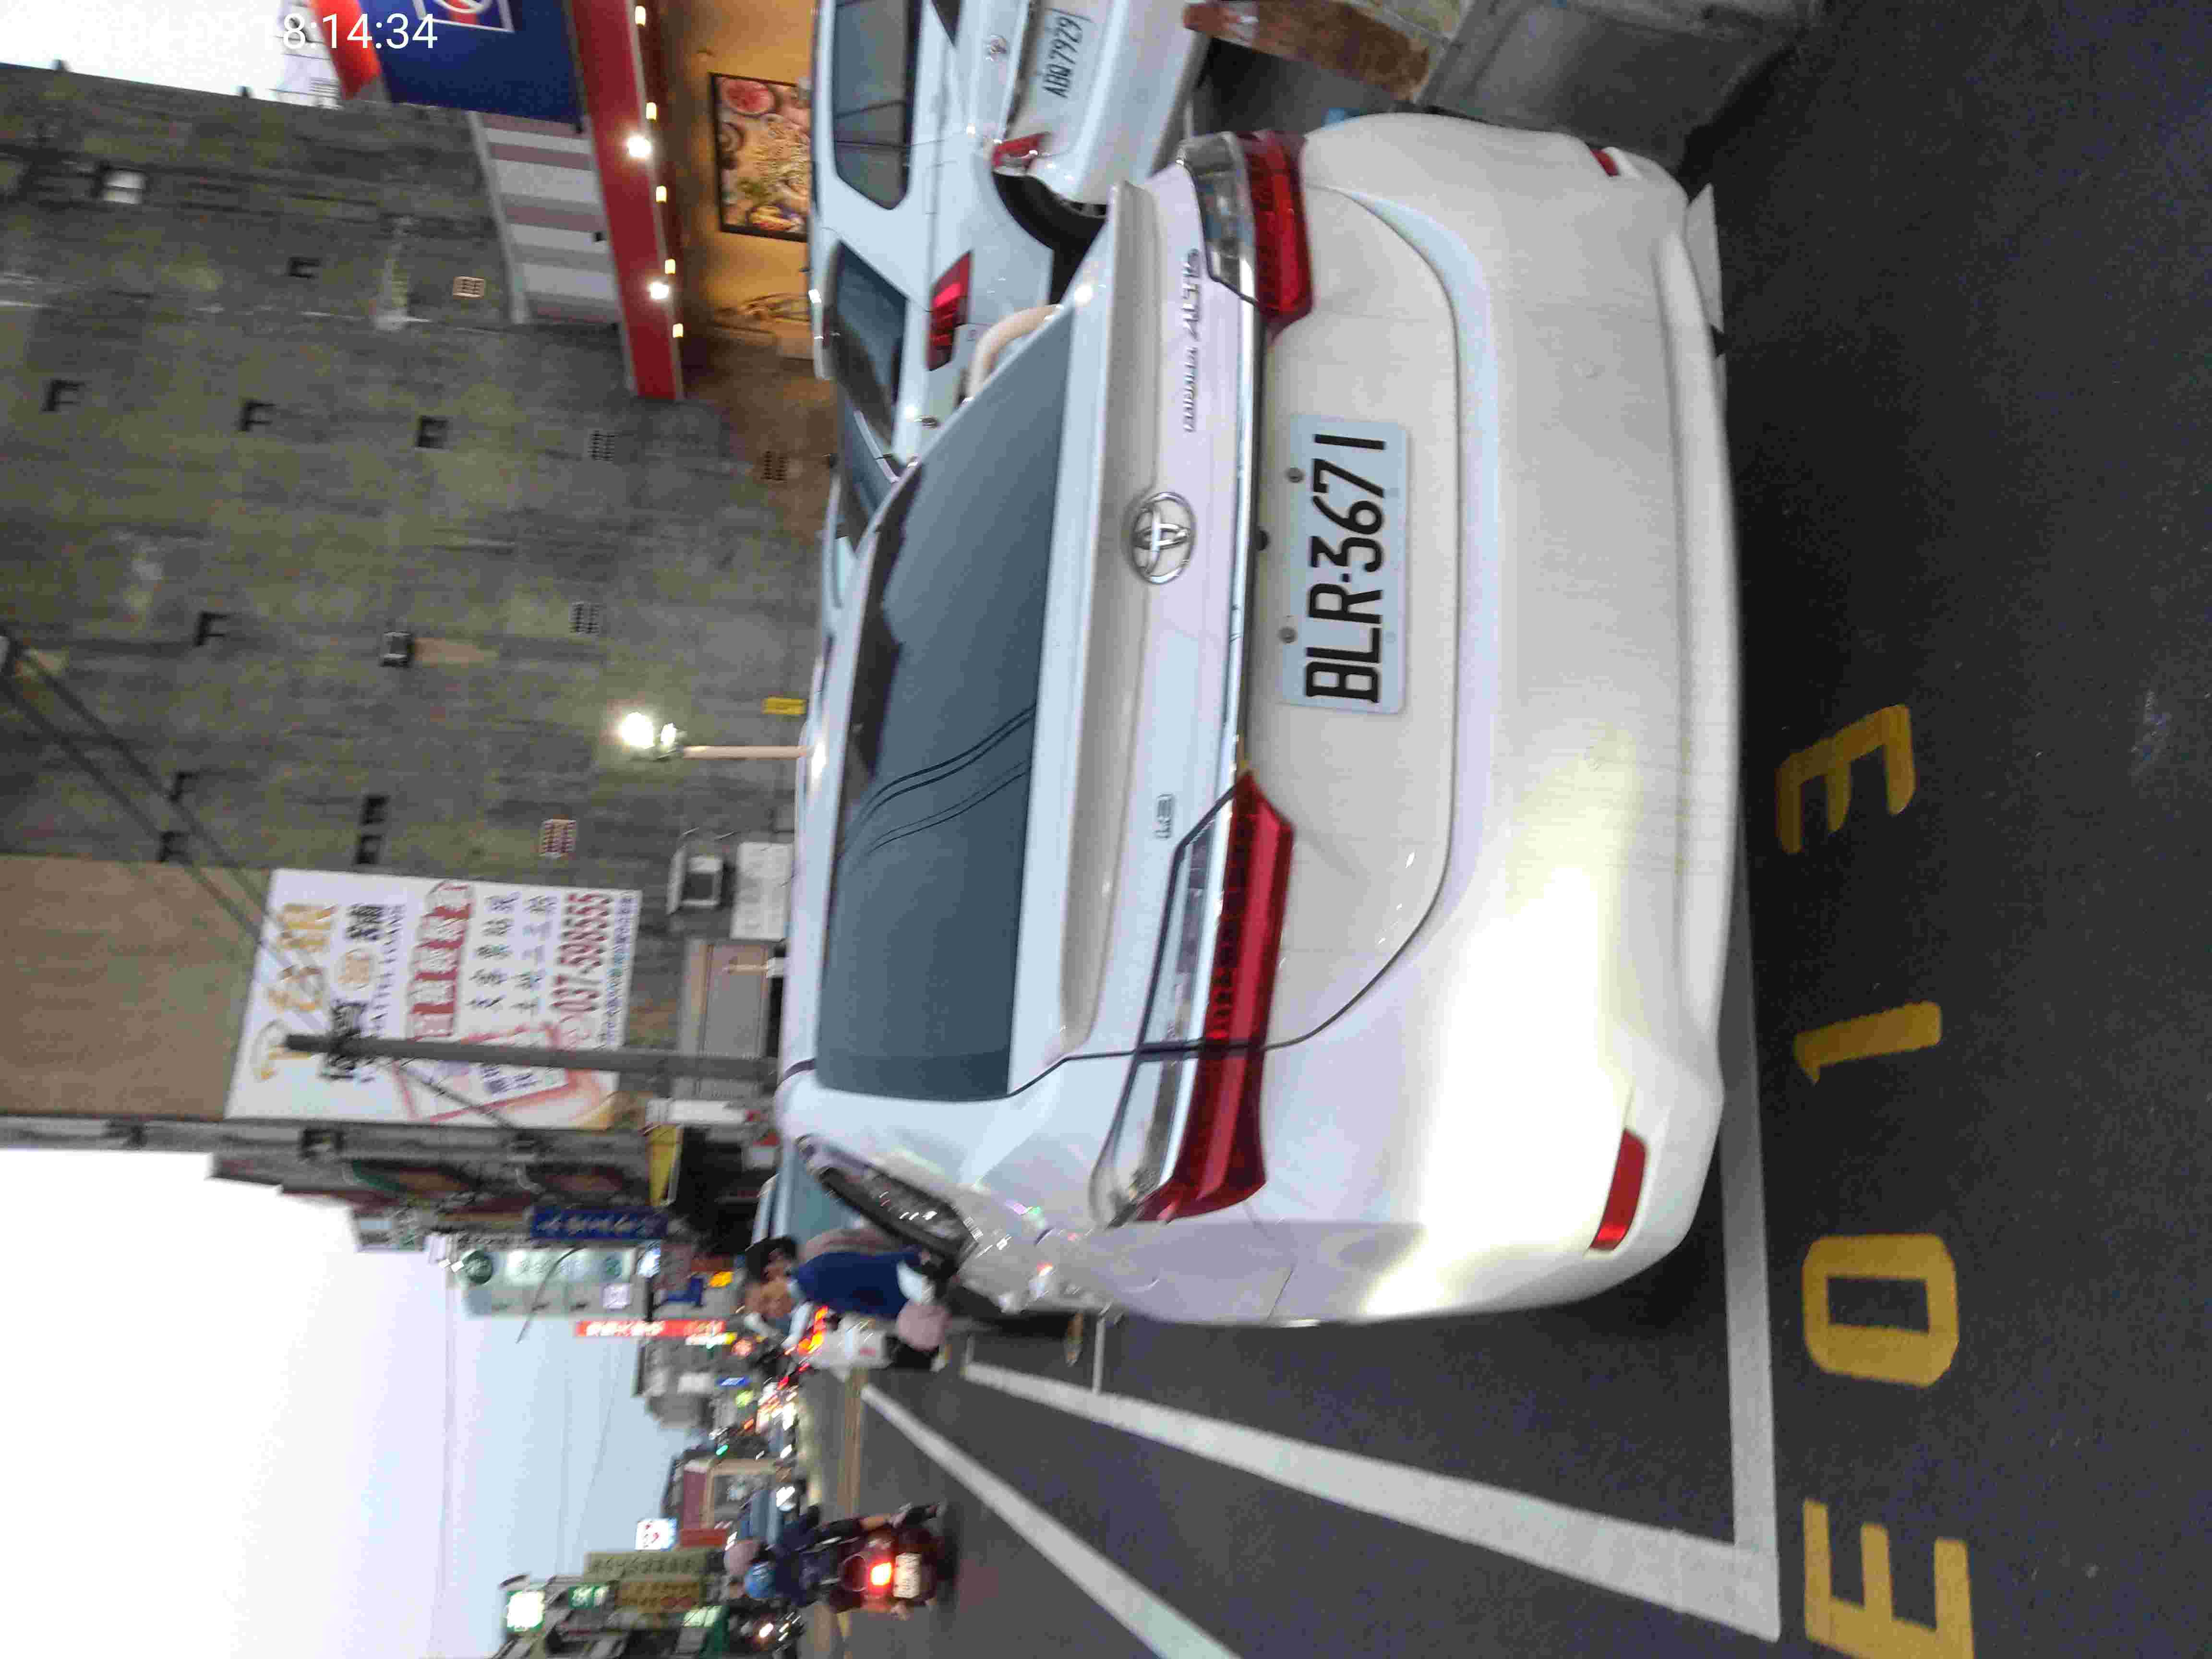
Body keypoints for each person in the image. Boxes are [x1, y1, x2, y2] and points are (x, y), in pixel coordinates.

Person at [736, 1503, 941, 1617]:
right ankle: (898, 1517)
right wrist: (813, 1514)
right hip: (848, 1568)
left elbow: (817, 1529)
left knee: (857, 1529)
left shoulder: (787, 1553)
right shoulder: (784, 1547)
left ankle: (912, 1515)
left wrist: (813, 1520)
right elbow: (812, 1521)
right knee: (853, 1527)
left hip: (850, 1560)